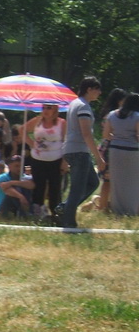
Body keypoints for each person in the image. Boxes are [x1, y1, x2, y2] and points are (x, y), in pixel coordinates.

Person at [59, 76, 105, 229]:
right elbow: (86, 134)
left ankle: (64, 208)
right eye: (97, 89)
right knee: (77, 189)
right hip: (79, 151)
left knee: (93, 182)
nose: (99, 92)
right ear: (89, 89)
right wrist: (98, 158)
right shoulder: (83, 107)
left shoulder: (74, 103)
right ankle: (68, 222)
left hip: (72, 150)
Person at [25, 104, 67, 221]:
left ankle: (55, 213)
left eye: (49, 108)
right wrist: (32, 144)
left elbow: (66, 142)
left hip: (56, 159)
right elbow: (22, 130)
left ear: (55, 109)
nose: (45, 111)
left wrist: (65, 161)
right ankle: (37, 213)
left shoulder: (62, 123)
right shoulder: (37, 121)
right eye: (43, 108)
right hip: (38, 159)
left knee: (55, 187)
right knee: (39, 186)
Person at [102, 92, 139, 216]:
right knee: (133, 181)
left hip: (115, 150)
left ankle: (117, 208)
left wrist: (117, 137)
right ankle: (132, 209)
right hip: (132, 150)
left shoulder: (112, 115)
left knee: (117, 180)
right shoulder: (137, 116)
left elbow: (105, 135)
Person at [97, 88, 127, 212]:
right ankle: (103, 206)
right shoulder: (113, 115)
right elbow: (107, 134)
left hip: (105, 147)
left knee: (109, 180)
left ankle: (105, 205)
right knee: (108, 180)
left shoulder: (109, 114)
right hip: (110, 149)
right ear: (119, 100)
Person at [0, 154, 35, 220]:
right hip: (5, 207)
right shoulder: (3, 177)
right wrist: (21, 197)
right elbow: (6, 189)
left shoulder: (25, 177)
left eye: (20, 166)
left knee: (26, 189)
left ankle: (26, 214)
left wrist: (12, 182)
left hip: (21, 205)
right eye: (16, 166)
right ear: (9, 166)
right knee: (12, 194)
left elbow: (31, 185)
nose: (19, 168)